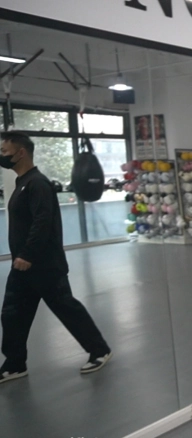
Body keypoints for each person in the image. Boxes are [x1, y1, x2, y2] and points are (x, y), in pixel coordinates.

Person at [0, 132, 112, 384]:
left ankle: (100, 350)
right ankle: (15, 364)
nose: (1, 156)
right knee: (12, 314)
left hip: (43, 265)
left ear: (21, 153)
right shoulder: (22, 182)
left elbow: (43, 222)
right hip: (23, 267)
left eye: (4, 151)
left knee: (66, 309)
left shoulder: (38, 183)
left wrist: (27, 254)